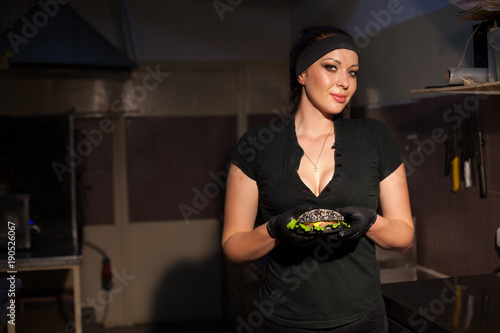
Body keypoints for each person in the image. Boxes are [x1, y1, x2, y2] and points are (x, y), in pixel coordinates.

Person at [222, 25, 414, 333]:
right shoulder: (256, 145)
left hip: (361, 321)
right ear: (301, 74)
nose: (344, 83)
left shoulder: (374, 137)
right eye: (331, 67)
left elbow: (403, 236)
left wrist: (370, 221)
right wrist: (274, 229)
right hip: (282, 322)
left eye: (352, 72)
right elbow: (233, 248)